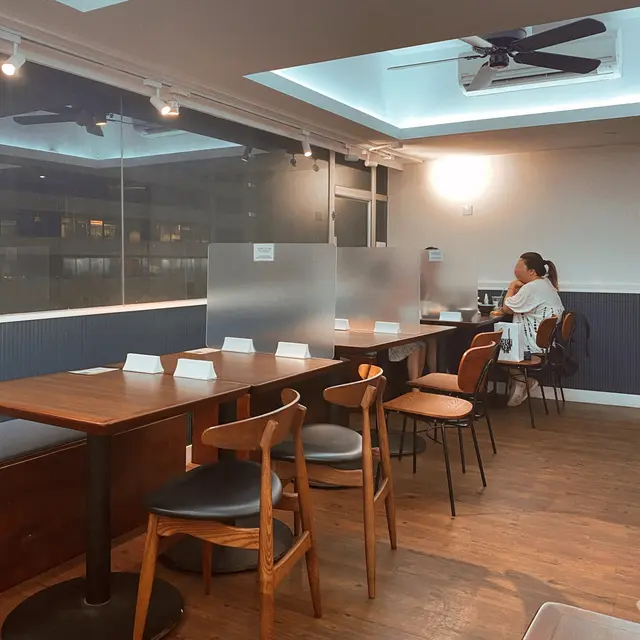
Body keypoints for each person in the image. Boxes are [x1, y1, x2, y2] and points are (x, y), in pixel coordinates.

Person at [502, 252, 564, 407]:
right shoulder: (546, 284)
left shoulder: (532, 288)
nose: (515, 270)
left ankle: (520, 381)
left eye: (518, 267)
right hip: (546, 343)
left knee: (492, 349)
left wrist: (512, 286)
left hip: (530, 345)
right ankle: (523, 381)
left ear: (531, 271)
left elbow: (506, 308)